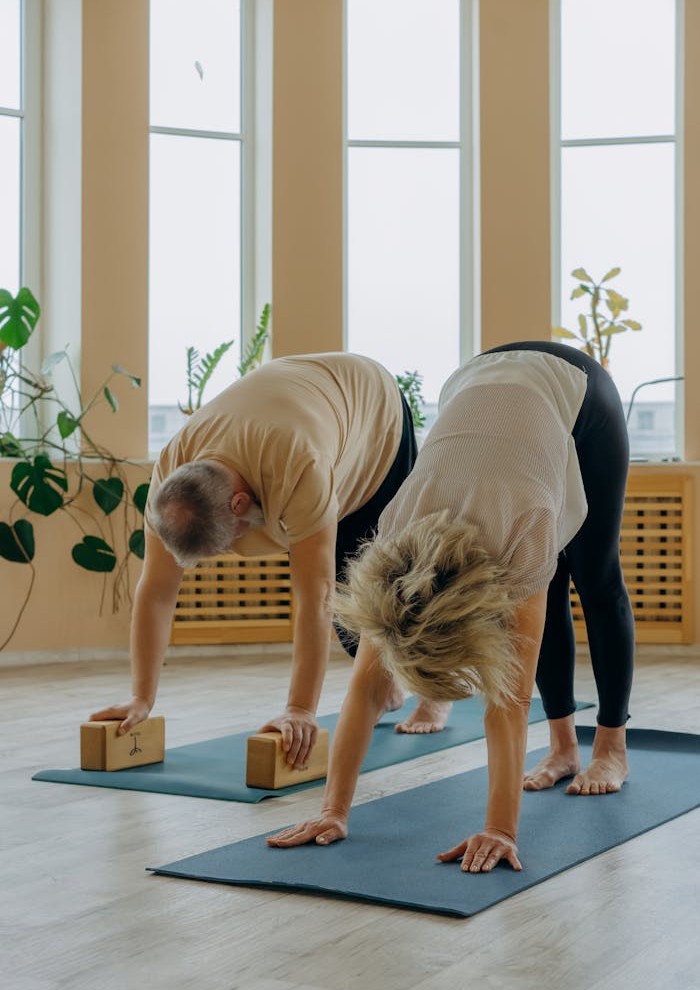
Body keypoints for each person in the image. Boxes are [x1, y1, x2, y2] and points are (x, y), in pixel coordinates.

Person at [267, 341, 635, 872]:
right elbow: (367, 687)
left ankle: (610, 749)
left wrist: (500, 829)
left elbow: (507, 701)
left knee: (593, 575)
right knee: (544, 589)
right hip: (479, 379)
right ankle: (562, 750)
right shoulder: (392, 546)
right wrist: (333, 811)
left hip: (573, 389)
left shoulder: (522, 530)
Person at [90, 352, 418, 767]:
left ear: (239, 503)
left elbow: (313, 598)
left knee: (375, 592)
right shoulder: (171, 486)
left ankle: (436, 697)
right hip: (300, 407)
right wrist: (141, 698)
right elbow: (156, 592)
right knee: (359, 633)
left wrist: (300, 709)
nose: (234, 553)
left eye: (227, 544)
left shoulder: (300, 465)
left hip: (372, 413)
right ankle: (384, 686)